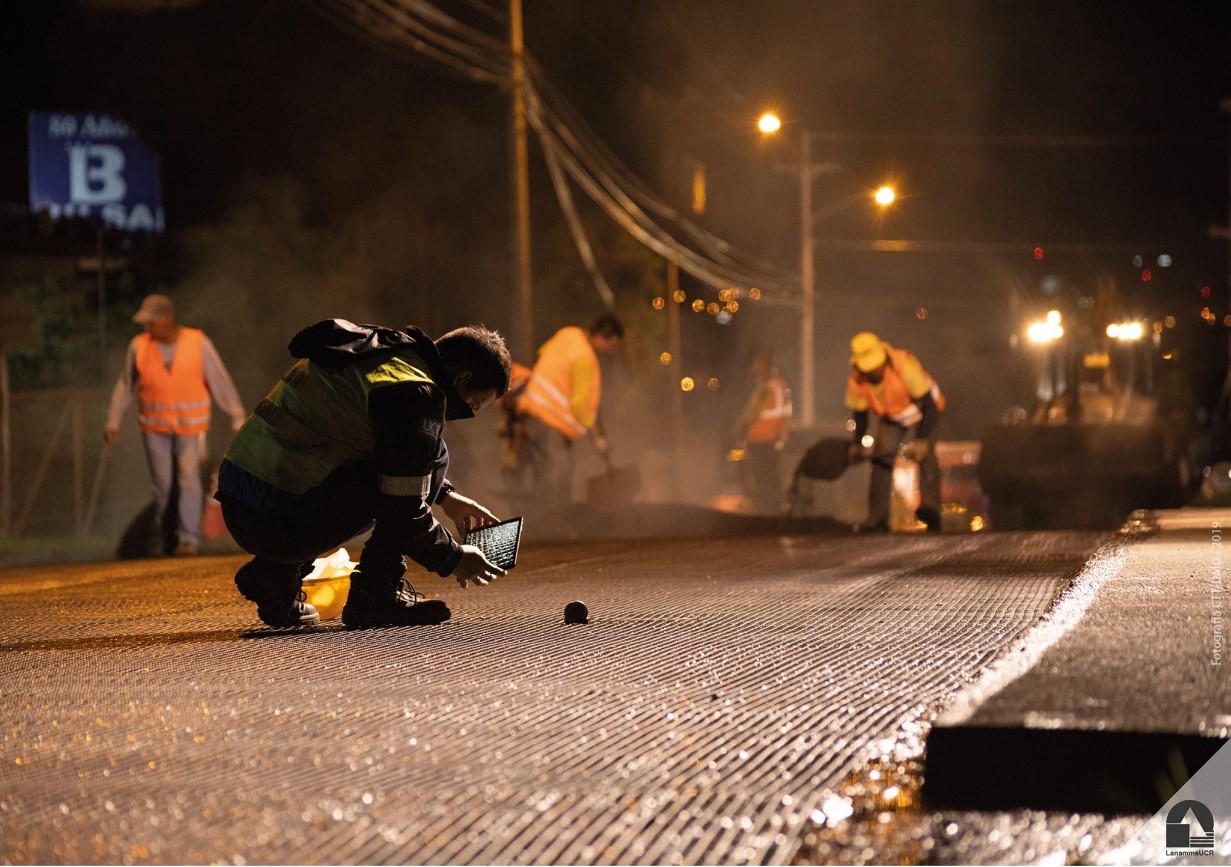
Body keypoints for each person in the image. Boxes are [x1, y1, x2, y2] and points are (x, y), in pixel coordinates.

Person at [215, 318, 511, 629]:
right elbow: (402, 509)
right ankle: (376, 596)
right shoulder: (417, 395)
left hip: (241, 503)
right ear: (463, 378)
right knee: (429, 455)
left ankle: (275, 577)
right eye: (474, 405)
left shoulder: (378, 354)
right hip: (277, 521)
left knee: (425, 454)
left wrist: (446, 497)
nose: (469, 413)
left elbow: (370, 444)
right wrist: (453, 558)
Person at [104, 293, 247, 557]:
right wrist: (113, 420)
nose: (147, 328)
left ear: (167, 317)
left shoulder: (198, 342)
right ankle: (164, 536)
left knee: (189, 479)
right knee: (163, 486)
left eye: (151, 322)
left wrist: (236, 414)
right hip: (154, 428)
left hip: (191, 428)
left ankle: (188, 539)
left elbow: (219, 379)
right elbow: (125, 385)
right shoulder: (139, 346)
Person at [511, 314, 624, 511]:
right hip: (550, 422)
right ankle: (553, 526)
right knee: (558, 474)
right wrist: (597, 437)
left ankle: (538, 523)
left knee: (541, 474)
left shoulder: (568, 333)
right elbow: (580, 403)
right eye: (612, 345)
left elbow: (543, 352)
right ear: (603, 336)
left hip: (529, 413)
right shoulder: (585, 358)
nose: (612, 351)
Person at [845, 331, 946, 533]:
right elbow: (861, 415)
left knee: (926, 457)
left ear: (884, 358)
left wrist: (923, 440)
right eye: (869, 370)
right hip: (894, 418)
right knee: (881, 457)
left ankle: (931, 510)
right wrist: (856, 443)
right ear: (858, 368)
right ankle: (878, 518)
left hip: (923, 411)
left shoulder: (905, 366)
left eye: (876, 368)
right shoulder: (857, 382)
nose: (874, 373)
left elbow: (929, 405)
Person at [733, 353, 793, 513]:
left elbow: (751, 414)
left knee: (764, 480)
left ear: (769, 368)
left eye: (759, 368)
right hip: (769, 440)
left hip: (763, 441)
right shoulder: (779, 386)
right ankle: (772, 511)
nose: (757, 372)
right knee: (770, 480)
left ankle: (767, 512)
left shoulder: (767, 389)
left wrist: (741, 430)